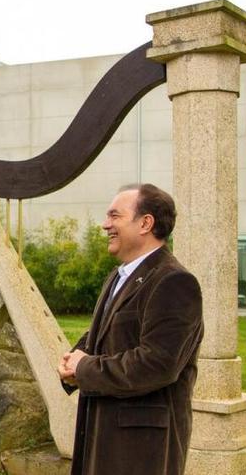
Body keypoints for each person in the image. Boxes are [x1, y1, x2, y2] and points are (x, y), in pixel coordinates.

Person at [57, 183, 203, 475]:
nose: (105, 224)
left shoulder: (174, 282)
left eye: (114, 216)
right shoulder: (119, 276)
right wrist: (73, 362)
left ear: (145, 223)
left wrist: (84, 368)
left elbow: (158, 363)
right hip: (104, 436)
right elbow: (103, 335)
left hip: (140, 449)